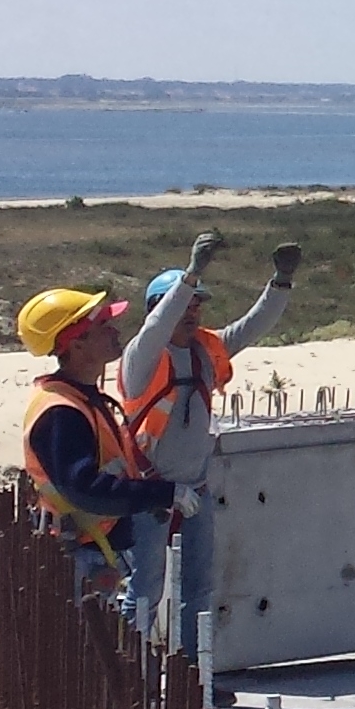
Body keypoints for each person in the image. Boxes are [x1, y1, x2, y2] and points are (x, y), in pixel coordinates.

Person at [114, 240, 300, 654]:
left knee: (198, 591)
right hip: (149, 493)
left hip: (195, 491)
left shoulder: (205, 350)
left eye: (198, 306)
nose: (193, 312)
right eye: (184, 304)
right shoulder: (142, 358)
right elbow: (155, 328)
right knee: (144, 589)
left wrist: (281, 282)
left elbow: (252, 326)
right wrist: (190, 275)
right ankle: (130, 675)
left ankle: (193, 675)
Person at [14, 252, 203, 603]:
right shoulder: (61, 411)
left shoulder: (83, 398)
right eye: (103, 325)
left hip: (99, 548)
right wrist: (163, 494)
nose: (115, 331)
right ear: (76, 343)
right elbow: (85, 488)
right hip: (83, 555)